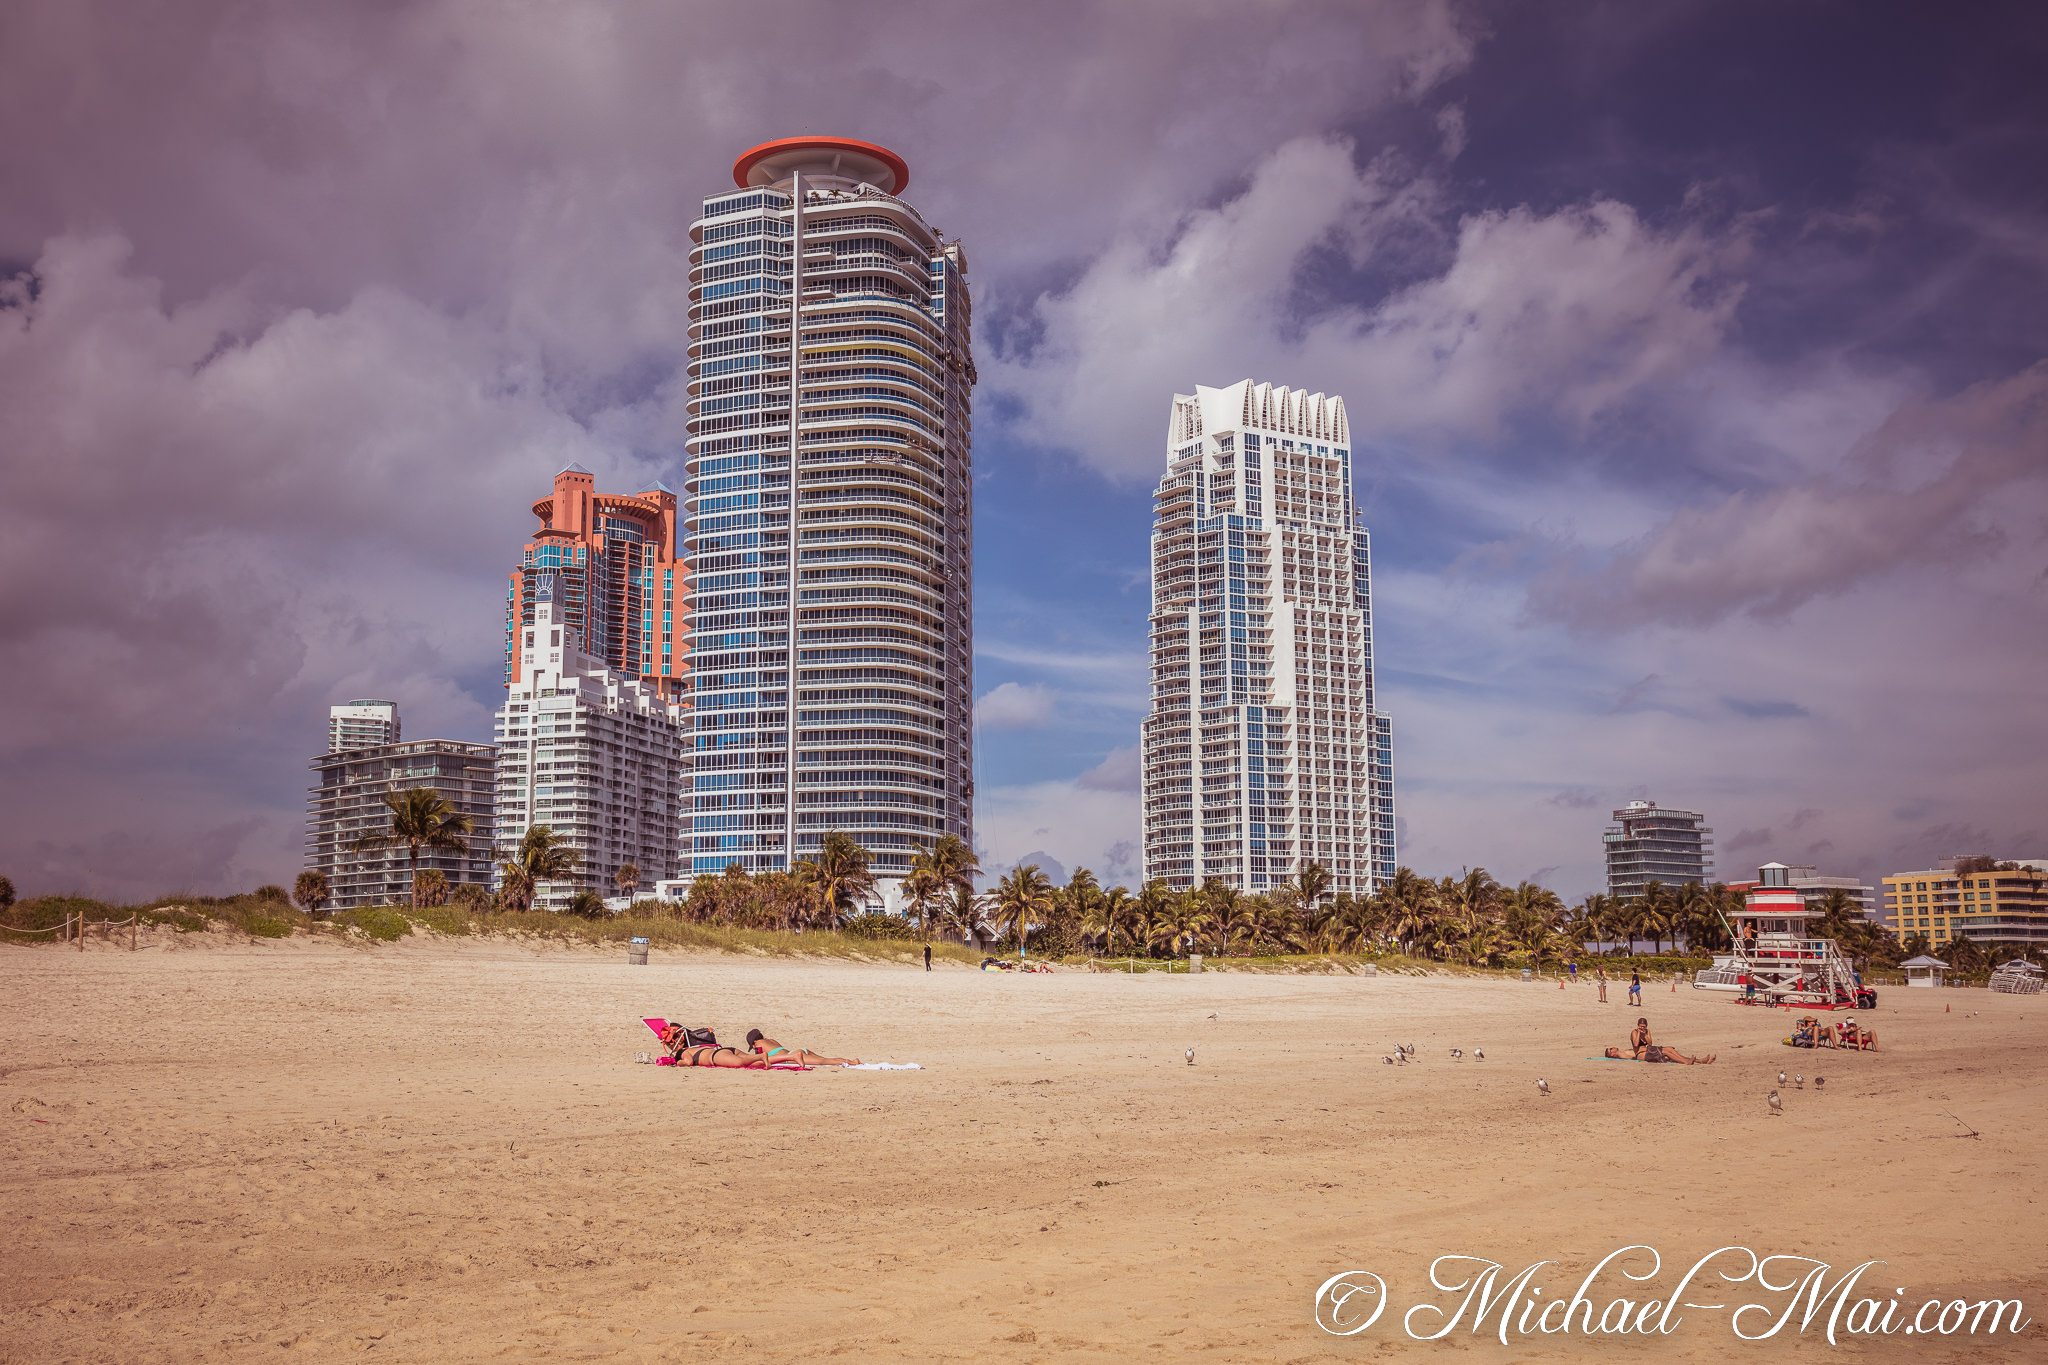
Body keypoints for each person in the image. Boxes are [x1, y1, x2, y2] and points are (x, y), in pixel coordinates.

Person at [658, 1025, 770, 1068]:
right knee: (753, 1062)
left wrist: (678, 1062)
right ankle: (787, 1058)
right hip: (723, 1050)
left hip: (716, 1057)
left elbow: (688, 1061)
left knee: (741, 1062)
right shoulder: (694, 1047)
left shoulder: (682, 1052)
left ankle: (760, 1056)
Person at [1613, 1016, 1714, 1064]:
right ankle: (1686, 1062)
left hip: (1649, 1050)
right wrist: (1639, 1033)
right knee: (1666, 1052)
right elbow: (1635, 1044)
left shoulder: (1647, 1031)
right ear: (1638, 1026)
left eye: (1644, 1026)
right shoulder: (1634, 1032)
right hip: (1641, 1054)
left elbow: (1650, 1043)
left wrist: (1645, 1035)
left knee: (1669, 1049)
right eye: (1641, 1026)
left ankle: (1699, 1060)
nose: (1642, 1028)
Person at [745, 1028, 861, 1067]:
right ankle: (848, 1060)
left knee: (823, 1061)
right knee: (824, 1059)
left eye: (753, 1045)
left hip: (792, 1057)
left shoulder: (759, 1045)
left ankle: (850, 1062)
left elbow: (759, 1058)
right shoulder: (771, 1040)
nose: (754, 1047)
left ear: (754, 1042)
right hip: (796, 1051)